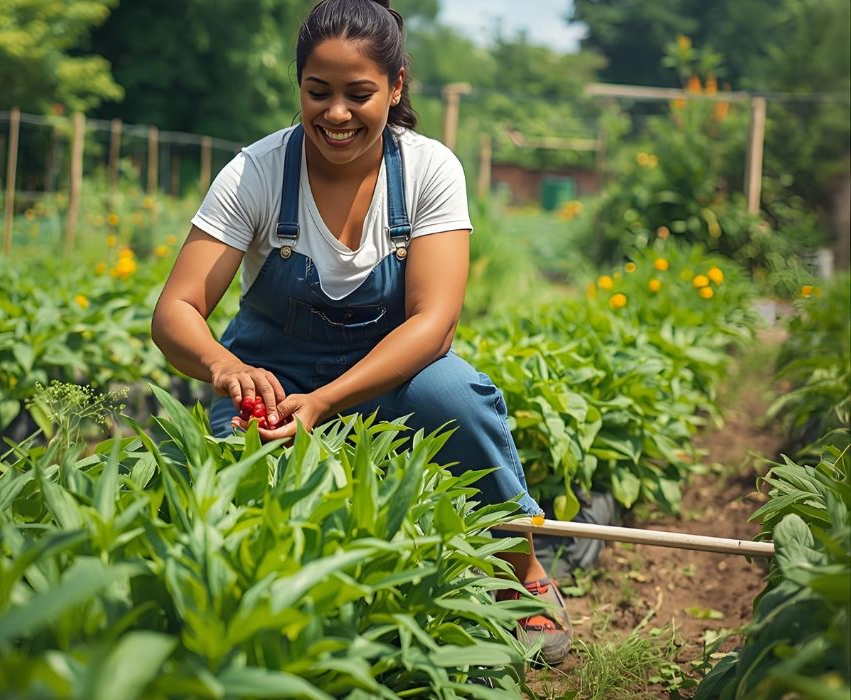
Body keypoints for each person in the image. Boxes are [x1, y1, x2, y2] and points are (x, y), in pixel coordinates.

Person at [151, 0, 572, 664]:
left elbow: (433, 326)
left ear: (397, 86)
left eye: (359, 94)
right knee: (210, 469)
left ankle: (520, 572)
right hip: (275, 382)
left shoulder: (430, 171)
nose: (336, 114)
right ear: (299, 86)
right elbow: (176, 309)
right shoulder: (256, 172)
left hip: (389, 375)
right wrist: (222, 367)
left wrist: (326, 401)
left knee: (456, 399)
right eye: (318, 93)